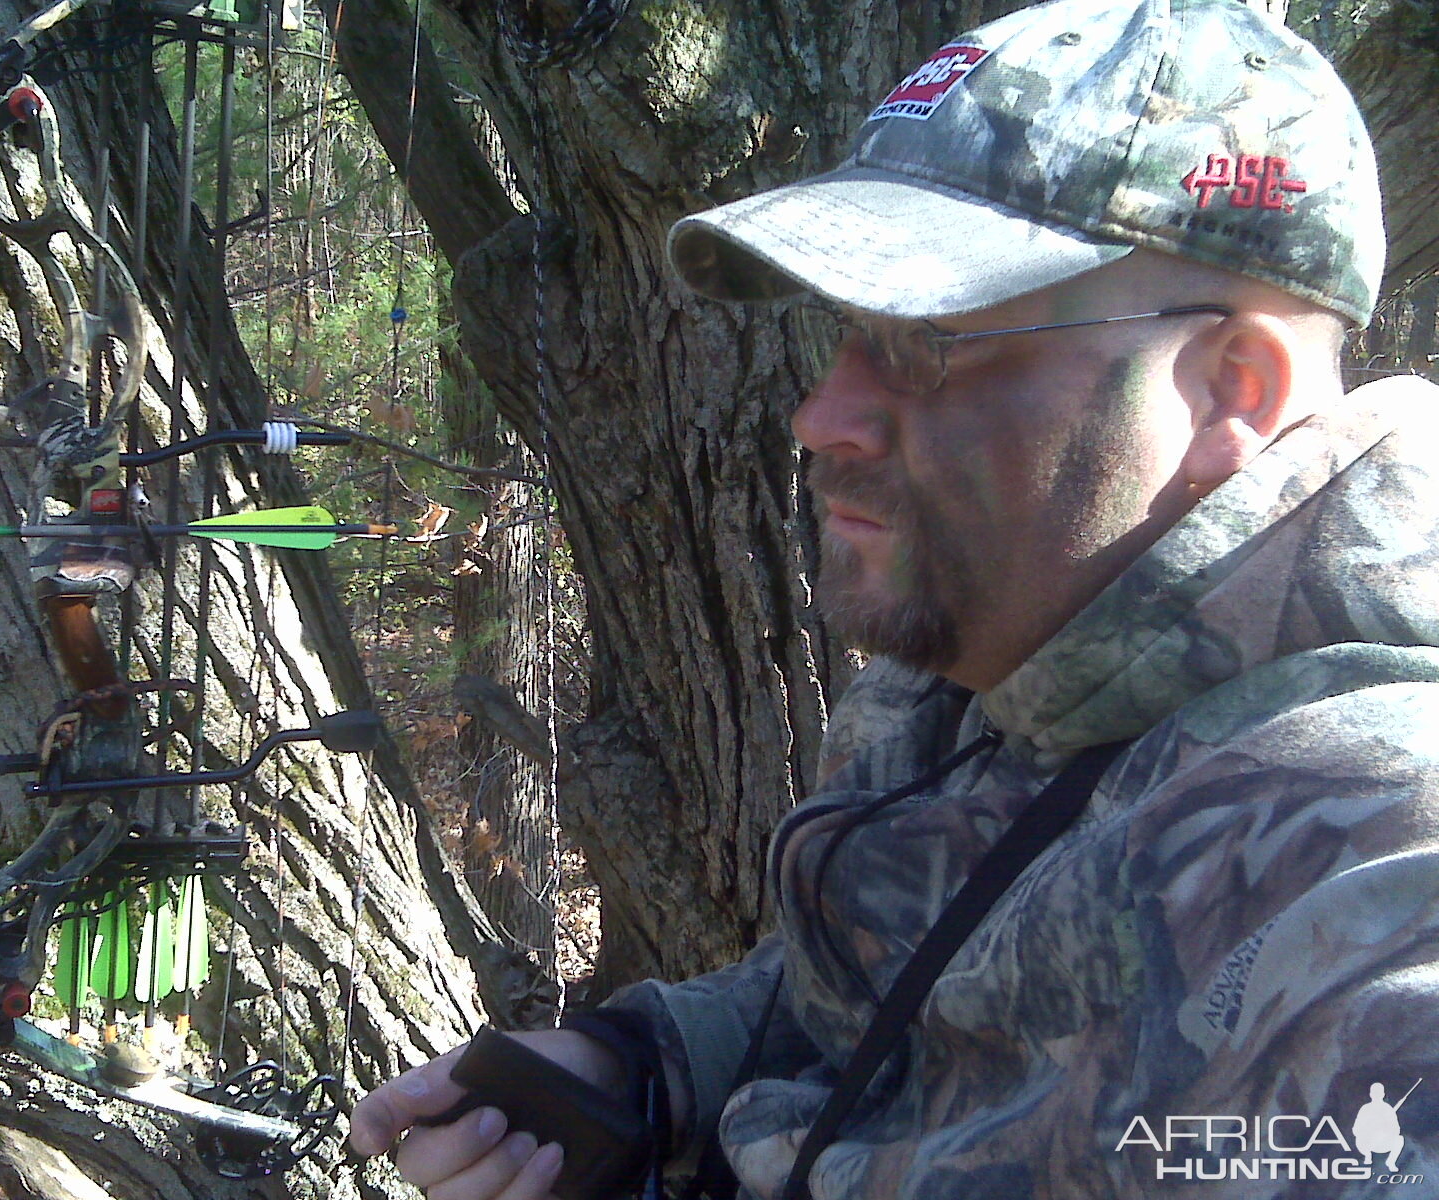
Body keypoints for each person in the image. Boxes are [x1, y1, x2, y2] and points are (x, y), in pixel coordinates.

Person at [352, 0, 1439, 1195]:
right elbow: (912, 980)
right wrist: (648, 1067)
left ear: (1231, 386)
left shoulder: (1376, 838)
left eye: (929, 343)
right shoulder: (996, 674)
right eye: (847, 334)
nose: (821, 415)